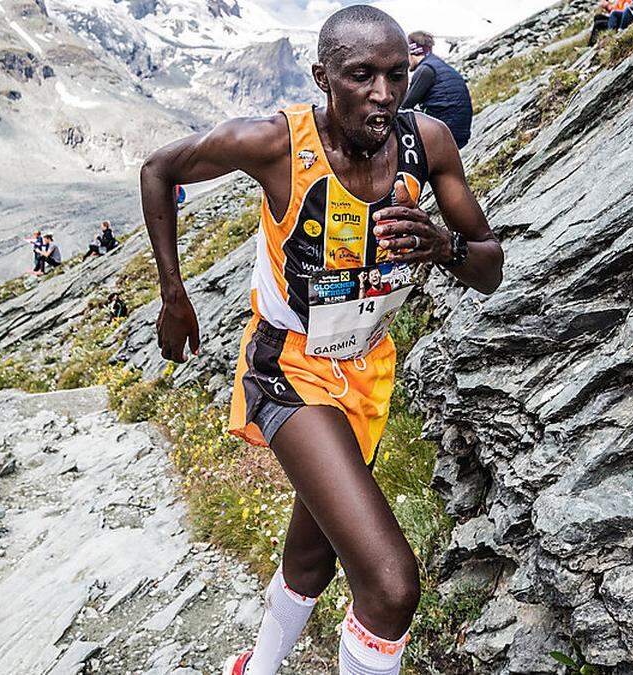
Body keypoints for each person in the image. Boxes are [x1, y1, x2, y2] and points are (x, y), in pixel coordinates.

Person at [139, 6, 503, 674]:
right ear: (323, 77)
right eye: (361, 75)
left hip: (366, 372)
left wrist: (443, 244)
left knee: (314, 553)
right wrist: (173, 293)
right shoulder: (277, 145)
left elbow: (489, 265)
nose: (384, 94)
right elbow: (159, 169)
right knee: (391, 584)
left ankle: (258, 665)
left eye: (396, 74)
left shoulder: (428, 146)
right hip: (289, 367)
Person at [401, 31, 473, 149]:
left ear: (412, 52)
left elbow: (405, 105)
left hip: (446, 133)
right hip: (459, 132)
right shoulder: (438, 65)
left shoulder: (425, 69)